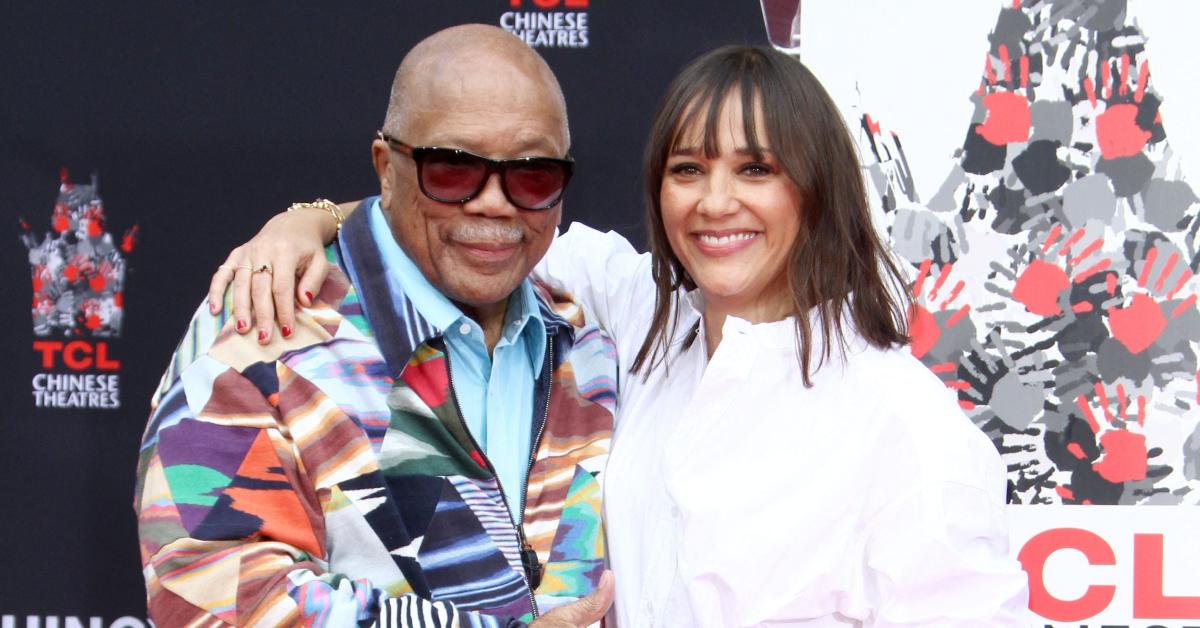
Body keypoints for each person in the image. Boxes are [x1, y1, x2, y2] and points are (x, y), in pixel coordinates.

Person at [212, 46, 1032, 625]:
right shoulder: (639, 313)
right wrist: (309, 220)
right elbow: (472, 225)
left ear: (816, 190)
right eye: (688, 169)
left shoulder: (904, 423)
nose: (715, 203)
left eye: (755, 169)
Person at [135, 24, 619, 627]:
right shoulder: (265, 328)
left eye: (533, 175)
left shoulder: (591, 342)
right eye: (452, 169)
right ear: (386, 167)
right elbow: (209, 593)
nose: (494, 202)